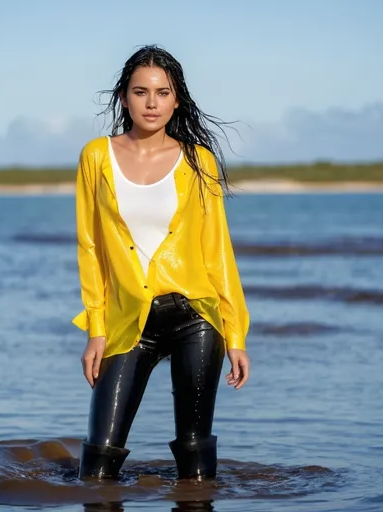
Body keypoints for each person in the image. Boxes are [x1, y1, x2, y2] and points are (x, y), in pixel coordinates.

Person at [71, 45, 250, 481]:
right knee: (98, 462)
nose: (152, 103)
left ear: (177, 99)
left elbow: (217, 252)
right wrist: (96, 330)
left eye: (163, 92)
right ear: (124, 97)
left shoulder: (197, 160)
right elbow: (90, 247)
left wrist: (236, 334)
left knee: (195, 462)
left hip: (195, 317)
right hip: (128, 318)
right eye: (140, 92)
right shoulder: (97, 156)